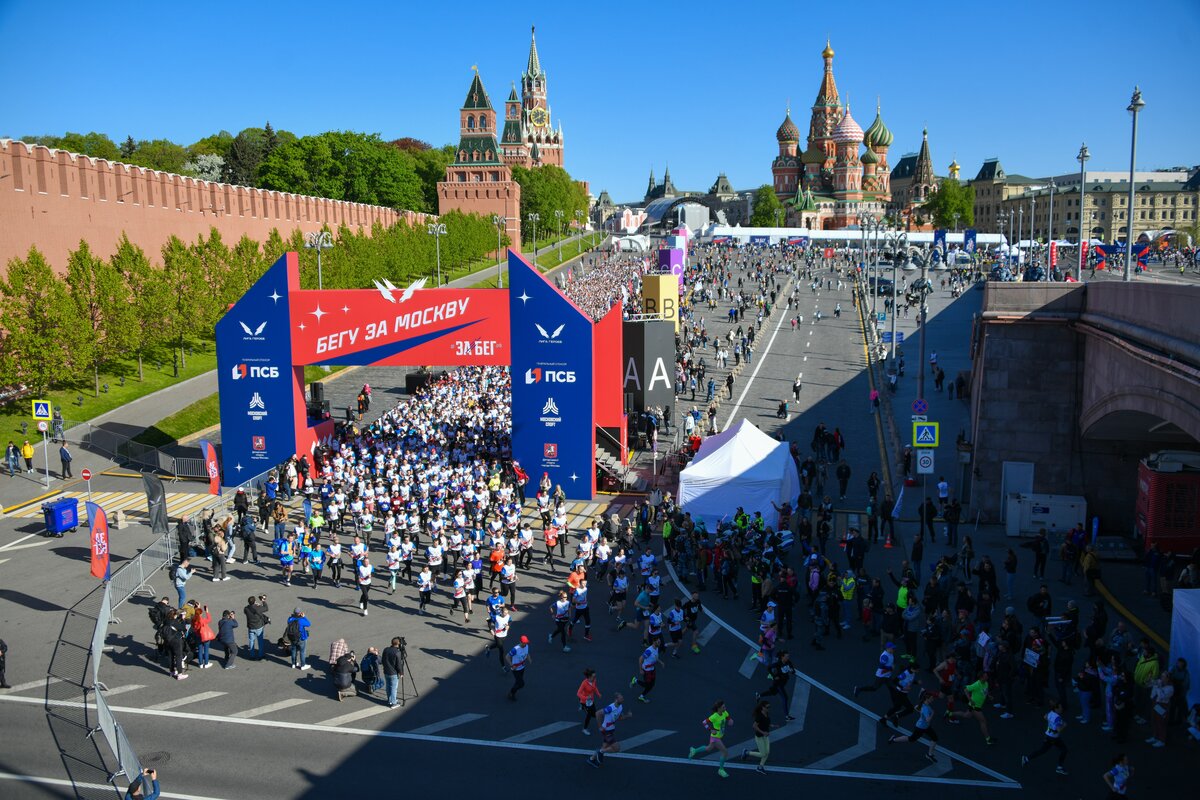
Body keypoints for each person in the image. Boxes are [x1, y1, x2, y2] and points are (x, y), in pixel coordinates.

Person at [887, 690, 940, 762]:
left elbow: (916, 707)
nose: (933, 699)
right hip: (920, 728)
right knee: (911, 739)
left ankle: (929, 755)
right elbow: (928, 720)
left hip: (925, 727)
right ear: (927, 699)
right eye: (932, 698)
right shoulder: (926, 709)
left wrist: (922, 713)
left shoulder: (923, 704)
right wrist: (933, 713)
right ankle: (893, 740)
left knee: (934, 738)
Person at [1021, 700, 1068, 775]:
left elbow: (1045, 717)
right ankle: (1059, 767)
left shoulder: (1050, 713)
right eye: (1061, 707)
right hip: (1054, 738)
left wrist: (1051, 722)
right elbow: (1059, 729)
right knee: (1064, 750)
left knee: (1042, 751)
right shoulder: (1057, 718)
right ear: (1056, 708)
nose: (1062, 709)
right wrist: (1064, 725)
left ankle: (1026, 759)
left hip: (1049, 736)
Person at [688, 699, 733, 778]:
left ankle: (694, 750)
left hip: (719, 736)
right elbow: (704, 722)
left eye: (725, 706)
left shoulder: (725, 712)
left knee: (708, 749)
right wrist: (710, 729)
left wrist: (730, 721)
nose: (725, 708)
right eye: (723, 707)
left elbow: (729, 718)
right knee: (725, 752)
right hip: (715, 737)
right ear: (718, 708)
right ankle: (721, 770)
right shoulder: (714, 716)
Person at [587, 693, 632, 768]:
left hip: (611, 729)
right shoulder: (610, 708)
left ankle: (591, 759)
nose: (622, 699)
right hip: (606, 730)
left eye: (622, 698)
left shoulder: (620, 707)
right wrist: (600, 727)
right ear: (616, 699)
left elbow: (620, 718)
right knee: (617, 748)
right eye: (621, 698)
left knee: (604, 746)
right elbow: (597, 713)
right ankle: (601, 752)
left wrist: (628, 715)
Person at [739, 699, 773, 774]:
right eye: (767, 707)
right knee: (763, 754)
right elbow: (754, 726)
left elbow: (765, 722)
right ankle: (747, 752)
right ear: (763, 707)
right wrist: (763, 732)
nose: (768, 708)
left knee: (767, 752)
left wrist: (772, 725)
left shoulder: (766, 713)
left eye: (769, 707)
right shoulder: (759, 716)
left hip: (766, 736)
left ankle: (760, 767)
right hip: (759, 737)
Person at [630, 637, 662, 703]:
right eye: (658, 642)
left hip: (652, 669)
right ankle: (635, 680)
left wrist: (661, 662)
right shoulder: (649, 651)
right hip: (647, 671)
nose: (659, 643)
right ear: (654, 642)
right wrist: (641, 670)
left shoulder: (656, 648)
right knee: (647, 685)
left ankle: (641, 696)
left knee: (652, 685)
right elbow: (640, 659)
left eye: (659, 641)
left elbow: (655, 657)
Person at [506, 634, 531, 701]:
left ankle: (512, 694)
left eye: (526, 642)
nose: (525, 644)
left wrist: (529, 659)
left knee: (518, 682)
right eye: (524, 643)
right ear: (520, 642)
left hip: (522, 667)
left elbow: (527, 653)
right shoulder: (515, 649)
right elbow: (507, 656)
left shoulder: (526, 646)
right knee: (521, 684)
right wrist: (511, 665)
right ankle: (511, 692)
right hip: (515, 669)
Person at [243, 595, 269, 660]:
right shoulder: (258, 608)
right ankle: (260, 655)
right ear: (254, 601)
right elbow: (266, 608)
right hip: (258, 627)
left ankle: (252, 655)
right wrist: (263, 602)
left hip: (251, 627)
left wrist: (254, 605)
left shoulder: (246, 609)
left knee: (251, 641)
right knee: (260, 641)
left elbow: (246, 610)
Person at [577, 667, 601, 734]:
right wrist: (586, 698)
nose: (595, 677)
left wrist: (598, 694)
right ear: (589, 677)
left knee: (595, 714)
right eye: (594, 676)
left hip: (591, 701)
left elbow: (595, 687)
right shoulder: (584, 683)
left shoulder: (594, 681)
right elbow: (578, 693)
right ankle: (584, 729)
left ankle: (582, 707)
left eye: (595, 676)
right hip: (584, 702)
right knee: (589, 715)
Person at [382, 638, 404, 709]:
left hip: (386, 671)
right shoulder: (397, 652)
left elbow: (383, 660)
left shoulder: (386, 649)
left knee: (388, 686)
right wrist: (401, 673)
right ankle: (394, 703)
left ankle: (390, 700)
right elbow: (399, 665)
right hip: (393, 673)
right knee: (394, 688)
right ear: (398, 644)